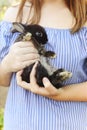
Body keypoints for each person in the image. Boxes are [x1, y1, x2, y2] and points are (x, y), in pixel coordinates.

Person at [0, 0, 87, 130]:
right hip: (20, 124)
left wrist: (61, 94)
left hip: (70, 124)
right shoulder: (15, 14)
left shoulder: (84, 18)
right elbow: (3, 80)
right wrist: (7, 64)